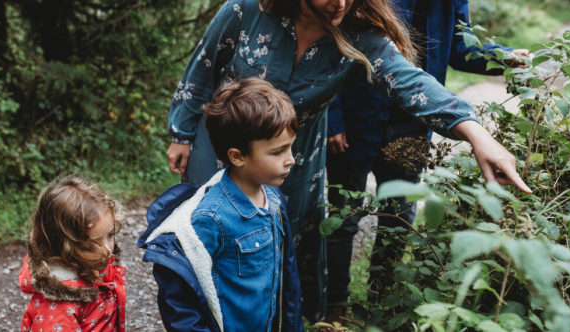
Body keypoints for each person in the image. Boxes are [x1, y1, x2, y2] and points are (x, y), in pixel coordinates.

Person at [164, 0, 532, 320]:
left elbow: (414, 84)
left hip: (294, 161)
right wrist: (181, 133)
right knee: (205, 238)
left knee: (275, 250)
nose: (340, 2)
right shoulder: (245, 10)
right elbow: (202, 68)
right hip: (219, 150)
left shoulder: (360, 36)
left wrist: (477, 135)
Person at [323, 0, 530, 321]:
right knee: (343, 215)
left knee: (400, 214)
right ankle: (334, 308)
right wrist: (332, 118)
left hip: (414, 122)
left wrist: (505, 58)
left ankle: (383, 302)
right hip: (356, 116)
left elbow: (459, 49)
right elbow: (336, 40)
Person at [139, 78, 303, 331]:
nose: (290, 160)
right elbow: (180, 298)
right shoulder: (209, 219)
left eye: (290, 148)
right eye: (277, 152)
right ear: (237, 156)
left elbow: (286, 277)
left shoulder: (273, 200)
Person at [18, 177, 126, 331]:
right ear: (63, 246)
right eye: (93, 243)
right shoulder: (58, 307)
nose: (108, 249)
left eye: (110, 235)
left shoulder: (91, 263)